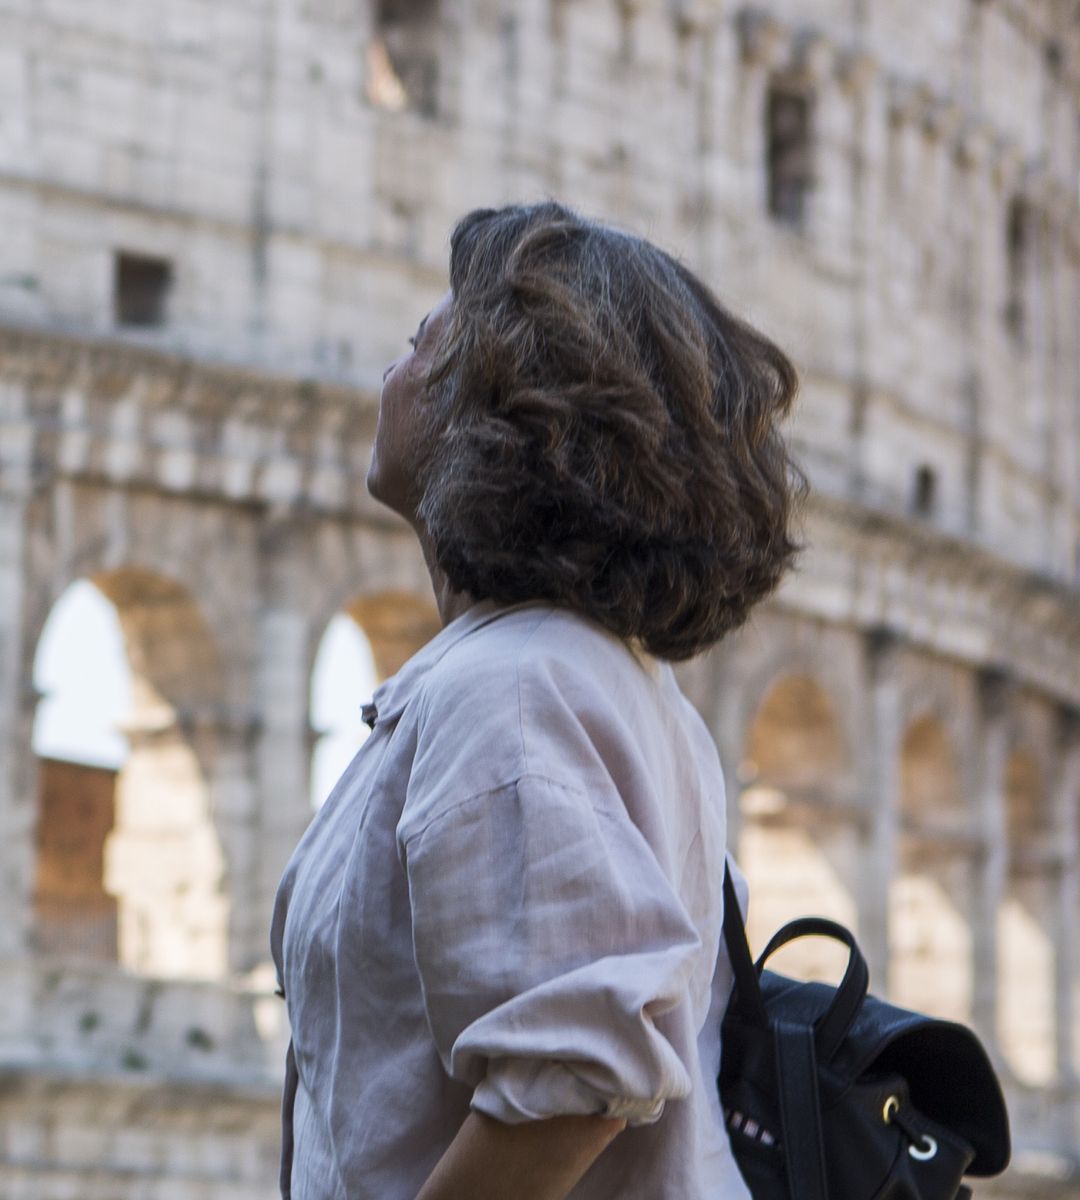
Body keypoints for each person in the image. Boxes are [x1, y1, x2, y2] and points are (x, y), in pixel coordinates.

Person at [275, 202, 802, 1199]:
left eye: (418, 348)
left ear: (498, 408)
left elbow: (579, 1067)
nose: (387, 378)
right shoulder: (608, 682)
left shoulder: (514, 688)